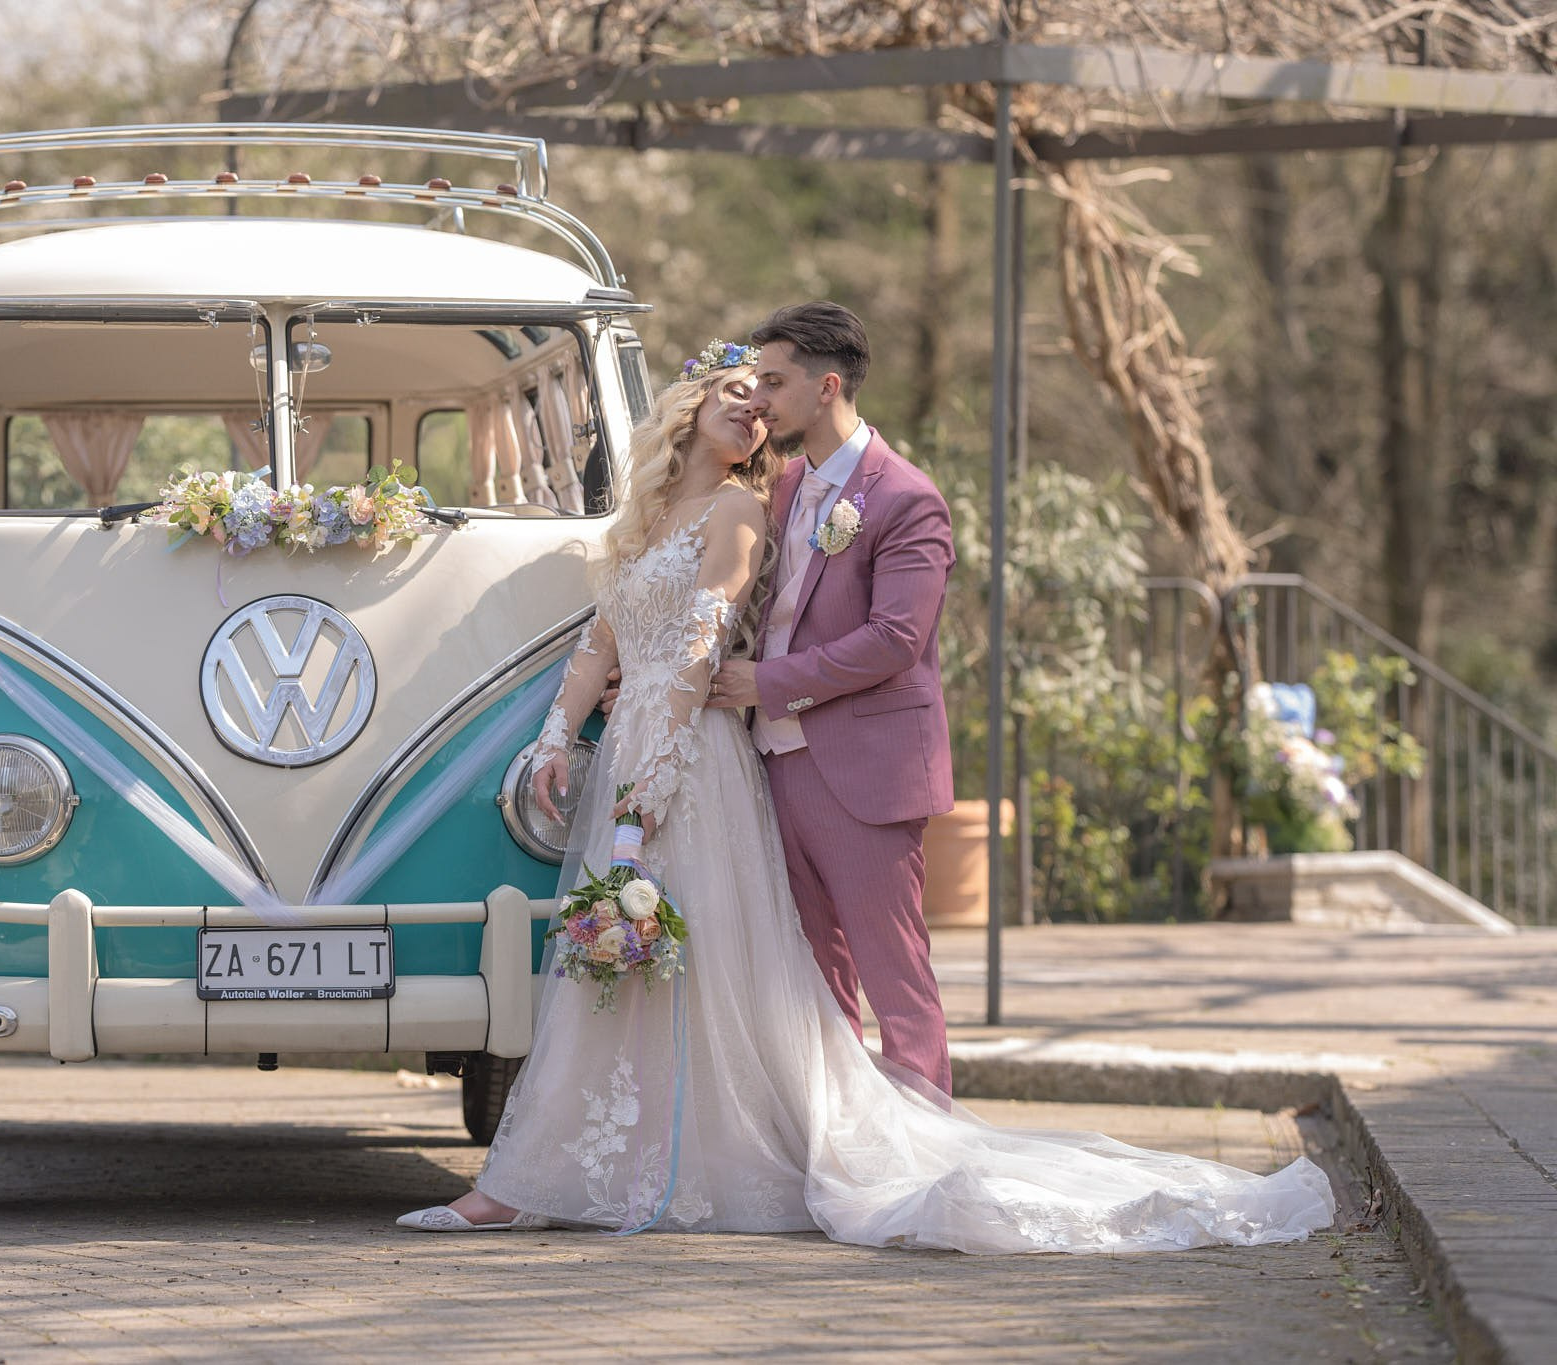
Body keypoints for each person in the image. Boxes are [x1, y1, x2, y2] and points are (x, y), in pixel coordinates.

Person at [394, 339, 1334, 1252]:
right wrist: (561, 736)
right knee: (633, 965)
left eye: (765, 393)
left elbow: (731, 646)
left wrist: (647, 792)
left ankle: (858, 1144)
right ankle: (554, 1174)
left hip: (700, 753)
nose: (754, 406)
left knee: (753, 958)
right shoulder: (670, 517)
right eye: (738, 390)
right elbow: (602, 641)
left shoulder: (759, 508)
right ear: (686, 411)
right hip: (653, 747)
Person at [706, 302, 954, 1094]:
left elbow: (895, 640)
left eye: (774, 382)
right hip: (776, 765)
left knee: (895, 976)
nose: (760, 399)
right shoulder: (780, 490)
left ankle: (926, 1157)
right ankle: (846, 1146)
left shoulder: (905, 498)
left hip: (865, 769)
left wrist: (766, 684)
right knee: (816, 978)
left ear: (828, 387)